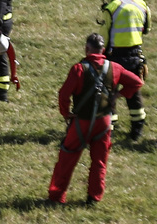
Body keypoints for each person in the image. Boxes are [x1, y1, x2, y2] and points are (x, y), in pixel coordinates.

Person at [48, 33, 144, 205]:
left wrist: (66, 113)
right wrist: (119, 95)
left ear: (87, 49)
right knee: (99, 161)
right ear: (103, 50)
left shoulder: (78, 69)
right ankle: (94, 197)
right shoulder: (114, 67)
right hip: (104, 123)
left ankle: (56, 196)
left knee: (66, 159)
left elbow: (64, 94)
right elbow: (137, 82)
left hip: (81, 123)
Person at [98, 0, 151, 141]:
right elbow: (147, 28)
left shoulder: (111, 8)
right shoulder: (141, 3)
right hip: (135, 55)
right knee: (133, 92)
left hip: (114, 57)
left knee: (109, 93)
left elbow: (104, 37)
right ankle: (137, 130)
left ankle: (109, 129)